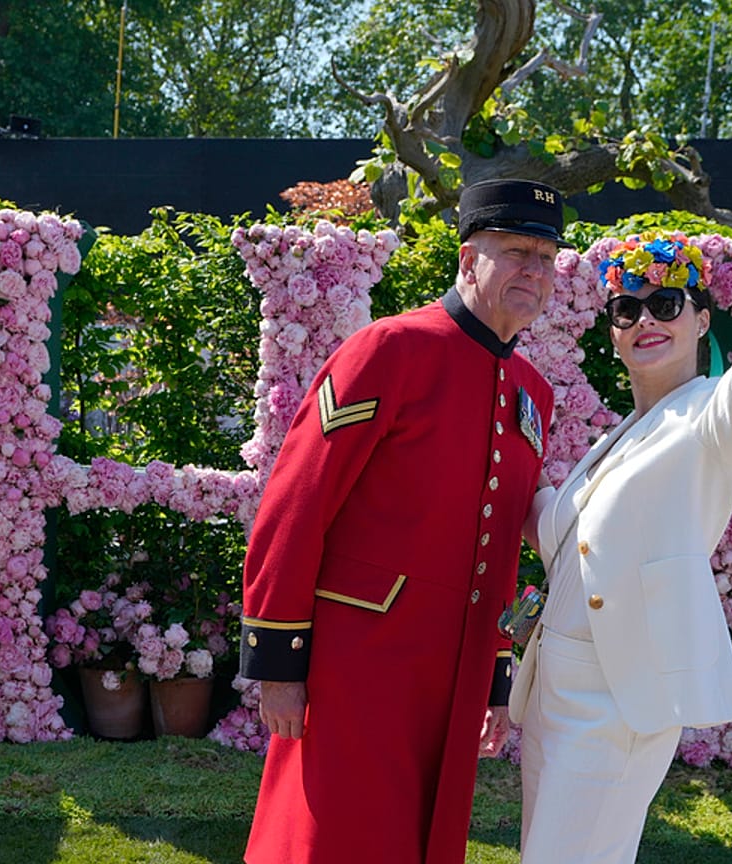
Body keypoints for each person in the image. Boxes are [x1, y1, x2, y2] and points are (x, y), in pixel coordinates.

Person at [511, 149, 732, 864]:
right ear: (613, 334)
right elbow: (558, 532)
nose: (645, 320)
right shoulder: (613, 439)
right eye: (628, 309)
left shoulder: (713, 421)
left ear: (701, 322)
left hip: (615, 703)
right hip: (550, 701)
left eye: (667, 304)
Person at [239, 179, 567, 864]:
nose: (532, 272)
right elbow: (299, 499)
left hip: (456, 672)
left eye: (545, 257)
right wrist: (278, 658)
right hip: (359, 663)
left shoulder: (533, 392)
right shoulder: (390, 348)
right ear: (466, 259)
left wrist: (498, 679)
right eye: (515, 252)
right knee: (330, 838)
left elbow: (502, 548)